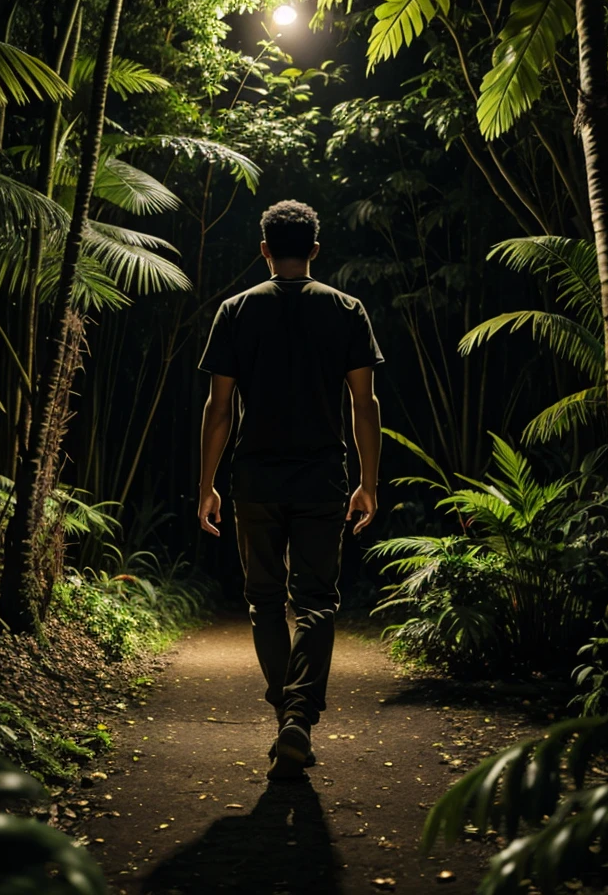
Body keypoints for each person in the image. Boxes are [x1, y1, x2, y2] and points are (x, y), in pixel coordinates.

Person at [197, 200, 383, 780]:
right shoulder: (347, 309)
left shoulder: (235, 311)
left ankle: (288, 716)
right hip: (323, 478)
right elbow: (364, 403)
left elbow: (219, 408)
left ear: (264, 250)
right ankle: (298, 715)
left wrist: (205, 484)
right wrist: (367, 483)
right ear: (315, 250)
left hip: (254, 478)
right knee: (318, 601)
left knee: (264, 602)